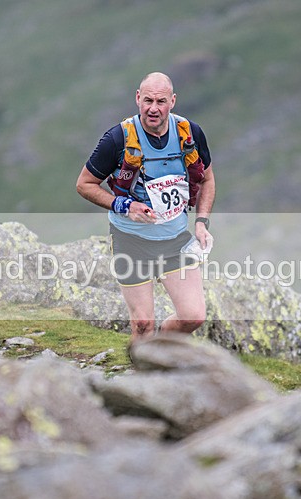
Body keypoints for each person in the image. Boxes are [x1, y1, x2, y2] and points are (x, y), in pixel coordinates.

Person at [76, 72, 215, 340]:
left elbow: (207, 179)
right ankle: (140, 378)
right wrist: (124, 206)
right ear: (137, 98)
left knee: (193, 316)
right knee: (142, 324)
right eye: (148, 100)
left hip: (175, 240)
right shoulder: (116, 139)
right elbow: (84, 184)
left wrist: (201, 222)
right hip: (131, 241)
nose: (153, 108)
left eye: (161, 101)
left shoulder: (190, 133)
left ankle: (160, 348)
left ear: (172, 101)